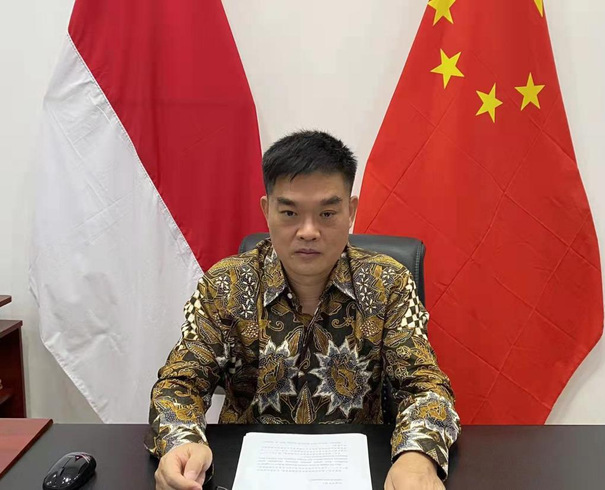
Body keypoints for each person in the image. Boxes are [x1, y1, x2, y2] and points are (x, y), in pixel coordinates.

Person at [146, 130, 460, 490]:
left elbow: (425, 387)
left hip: (362, 472)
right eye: (290, 213)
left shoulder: (387, 283)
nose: (308, 232)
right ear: (267, 210)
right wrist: (182, 441)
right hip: (243, 473)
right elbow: (180, 382)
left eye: (327, 213)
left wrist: (418, 458)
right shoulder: (225, 285)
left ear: (351, 211)